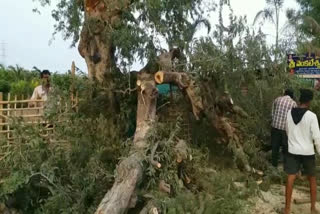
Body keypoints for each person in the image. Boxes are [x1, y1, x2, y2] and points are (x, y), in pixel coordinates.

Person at [284, 89, 320, 214]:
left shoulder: (289, 113)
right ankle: (313, 208)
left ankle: (287, 209)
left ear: (300, 100)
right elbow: (317, 138)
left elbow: (287, 130)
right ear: (309, 101)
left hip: (292, 150)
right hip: (307, 152)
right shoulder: (312, 116)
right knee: (312, 179)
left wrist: (293, 142)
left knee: (290, 178)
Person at [271, 89, 297, 167]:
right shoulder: (293, 104)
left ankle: (274, 165)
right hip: (285, 130)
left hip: (275, 127)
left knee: (275, 147)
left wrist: (274, 120)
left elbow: (272, 112)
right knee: (286, 148)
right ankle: (286, 166)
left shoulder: (277, 99)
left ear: (284, 94)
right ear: (292, 96)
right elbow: (294, 118)